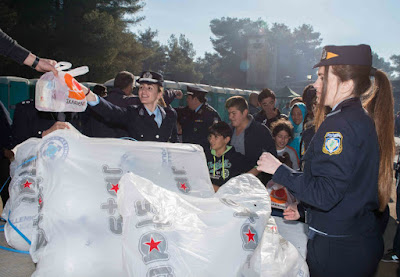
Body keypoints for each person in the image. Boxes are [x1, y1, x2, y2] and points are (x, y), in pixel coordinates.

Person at [257, 44, 395, 277]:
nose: (315, 85)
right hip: (352, 242)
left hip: (338, 251)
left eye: (322, 78)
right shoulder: (355, 117)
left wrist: (279, 169)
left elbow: (326, 193)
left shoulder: (339, 124)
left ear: (347, 84)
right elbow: (342, 185)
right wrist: (303, 209)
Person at [82, 71, 178, 142]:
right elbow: (111, 111)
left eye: (149, 88)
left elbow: (174, 143)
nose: (143, 91)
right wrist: (88, 94)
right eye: (141, 87)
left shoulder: (170, 114)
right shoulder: (132, 114)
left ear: (159, 94)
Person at [225, 96, 277, 183]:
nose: (230, 117)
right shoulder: (228, 130)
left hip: (256, 182)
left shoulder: (260, 130)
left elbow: (271, 156)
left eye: (234, 113)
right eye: (229, 113)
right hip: (231, 181)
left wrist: (251, 174)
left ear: (245, 112)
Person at [205, 122, 253, 192]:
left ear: (226, 139)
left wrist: (242, 182)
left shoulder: (235, 157)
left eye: (216, 137)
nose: (211, 140)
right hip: (208, 197)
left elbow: (256, 167)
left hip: (228, 198)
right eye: (210, 136)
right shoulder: (205, 156)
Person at [176, 85, 221, 151]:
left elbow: (217, 136)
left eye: (189, 98)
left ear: (195, 99)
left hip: (203, 153)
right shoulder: (187, 111)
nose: (187, 100)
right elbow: (170, 112)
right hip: (187, 151)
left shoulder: (210, 114)